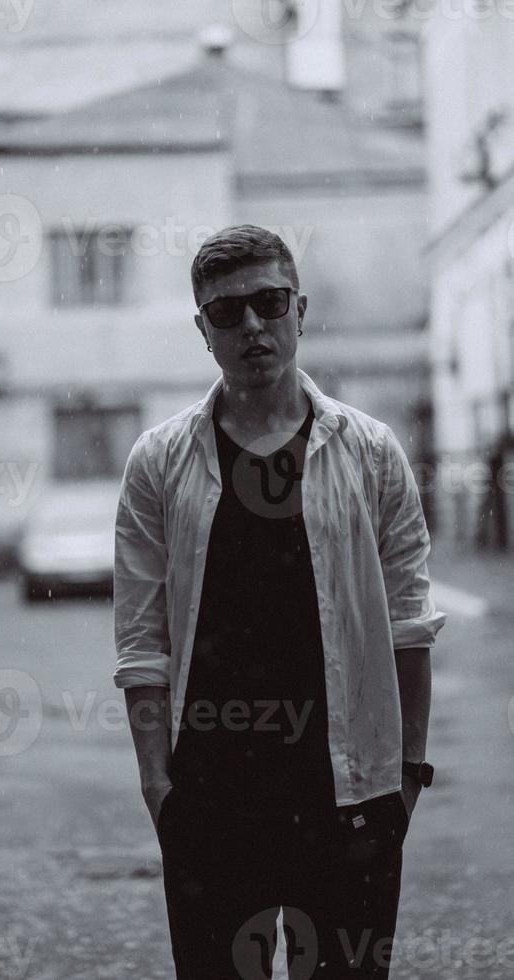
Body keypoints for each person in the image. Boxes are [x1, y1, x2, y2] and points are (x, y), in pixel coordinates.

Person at [113, 225, 446, 980]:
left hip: (352, 792)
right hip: (210, 801)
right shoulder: (160, 463)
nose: (252, 326)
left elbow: (410, 625)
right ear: (204, 331)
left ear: (300, 308)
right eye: (227, 313)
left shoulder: (369, 451)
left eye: (268, 303)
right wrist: (159, 787)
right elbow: (141, 645)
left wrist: (407, 777)